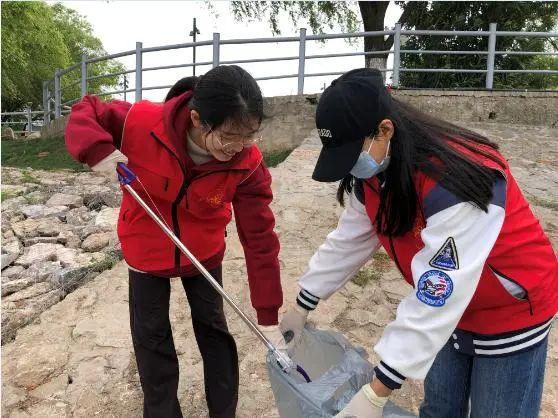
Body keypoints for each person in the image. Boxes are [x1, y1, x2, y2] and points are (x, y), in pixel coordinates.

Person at [280, 68, 557, 418]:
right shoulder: (376, 176)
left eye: (353, 156)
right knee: (440, 409)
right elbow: (348, 239)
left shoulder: (457, 181)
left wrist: (377, 391)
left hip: (510, 307)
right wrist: (305, 302)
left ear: (385, 129)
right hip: (454, 313)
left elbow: (439, 292)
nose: (351, 169)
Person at [65, 65, 286, 418]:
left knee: (214, 330)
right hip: (145, 247)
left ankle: (224, 412)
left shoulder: (247, 162)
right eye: (230, 136)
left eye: (250, 136)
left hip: (204, 250)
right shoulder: (140, 121)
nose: (240, 147)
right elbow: (85, 110)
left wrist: (269, 314)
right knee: (151, 337)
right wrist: (96, 149)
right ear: (198, 120)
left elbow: (260, 238)